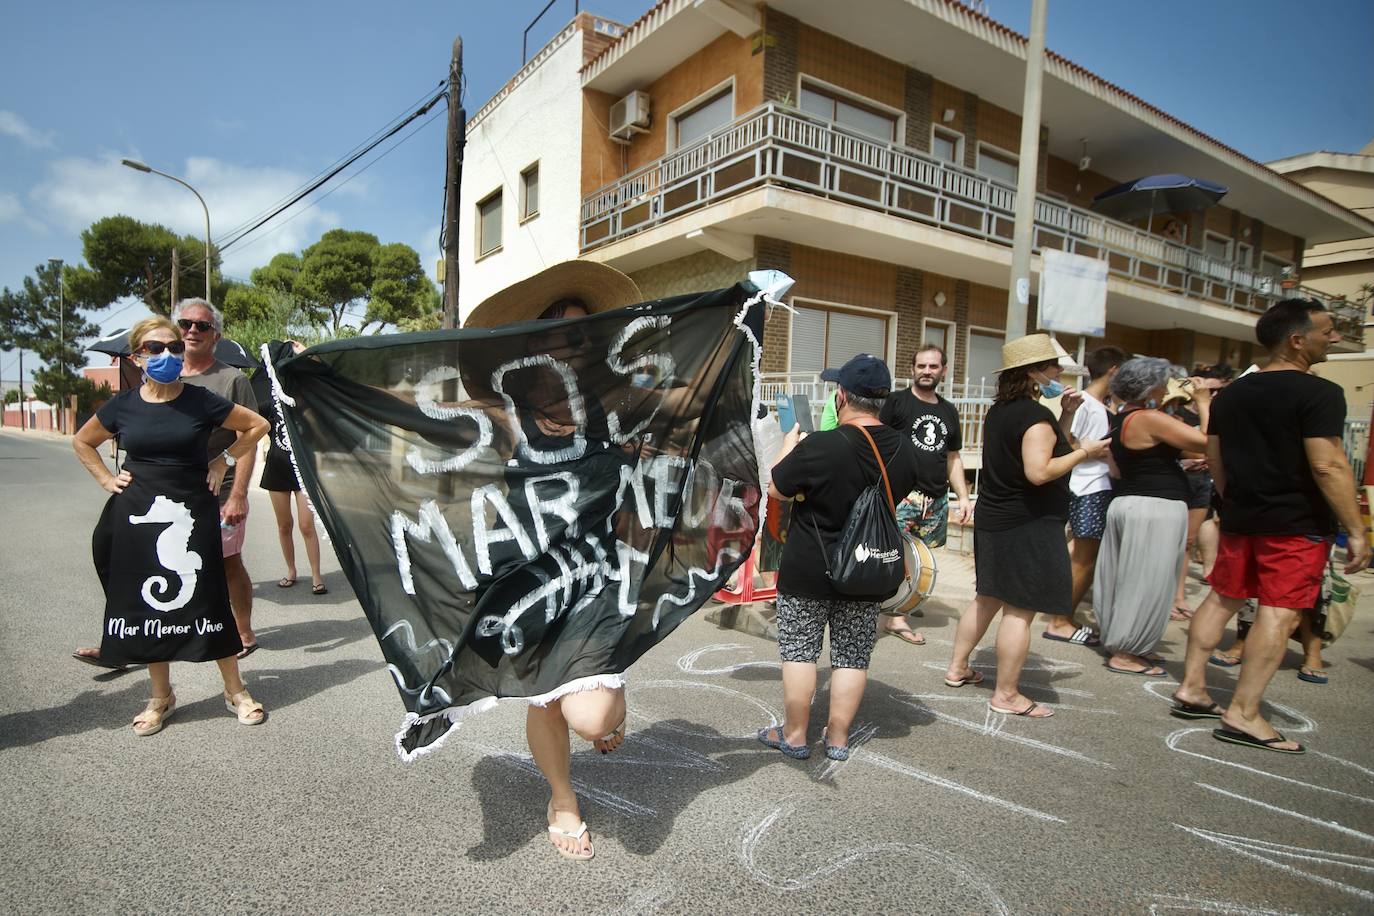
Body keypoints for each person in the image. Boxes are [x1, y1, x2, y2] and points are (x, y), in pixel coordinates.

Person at [462, 260, 644, 861]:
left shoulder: (621, 407)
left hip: (597, 572)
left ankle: (609, 704)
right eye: (562, 331)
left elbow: (686, 420)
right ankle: (562, 798)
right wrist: (314, 375)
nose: (575, 342)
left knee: (592, 717)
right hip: (531, 572)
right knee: (544, 693)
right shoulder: (504, 411)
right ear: (535, 341)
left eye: (585, 332)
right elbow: (410, 412)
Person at [1172, 299, 1370, 751]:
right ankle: (1243, 713)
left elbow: (1217, 458)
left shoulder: (1233, 394)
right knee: (1278, 613)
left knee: (1223, 597)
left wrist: (1234, 499)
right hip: (1294, 524)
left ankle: (1192, 687)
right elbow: (1329, 466)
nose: (1334, 338)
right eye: (1327, 331)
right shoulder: (1319, 393)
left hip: (1242, 516)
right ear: (1297, 340)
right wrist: (1355, 529)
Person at [72, 315, 270, 734]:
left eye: (175, 348)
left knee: (208, 597)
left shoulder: (201, 400)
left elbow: (257, 425)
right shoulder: (123, 405)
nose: (168, 355)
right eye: (156, 349)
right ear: (137, 356)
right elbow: (82, 441)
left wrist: (223, 460)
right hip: (138, 512)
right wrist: (107, 479)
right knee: (146, 606)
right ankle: (161, 696)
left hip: (192, 509)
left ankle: (235, 690)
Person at [943, 334, 1111, 717]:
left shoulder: (1003, 410)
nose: (1059, 372)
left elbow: (1047, 449)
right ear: (1034, 372)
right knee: (1019, 610)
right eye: (1053, 366)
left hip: (997, 516)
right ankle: (1006, 694)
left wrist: (1064, 415)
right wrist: (1088, 450)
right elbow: (1039, 471)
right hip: (1027, 522)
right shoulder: (1033, 416)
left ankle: (957, 667)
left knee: (987, 597)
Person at [761, 354, 919, 759]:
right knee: (852, 654)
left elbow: (777, 488)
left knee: (799, 650)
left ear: (842, 396)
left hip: (810, 567)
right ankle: (838, 738)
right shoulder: (903, 448)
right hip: (869, 565)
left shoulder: (822, 444)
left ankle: (795, 735)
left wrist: (787, 445)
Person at [1093, 358, 1209, 675]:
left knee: (1126, 578)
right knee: (1147, 580)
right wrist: (1203, 403)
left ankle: (1125, 643)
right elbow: (1209, 443)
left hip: (1128, 502)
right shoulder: (1149, 418)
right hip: (1154, 506)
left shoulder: (1121, 418)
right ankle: (1127, 652)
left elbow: (1118, 466)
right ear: (1150, 386)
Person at [175, 299, 262, 656]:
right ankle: (179, 627)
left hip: (221, 490)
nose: (192, 330)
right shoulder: (165, 376)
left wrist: (238, 493)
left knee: (227, 561)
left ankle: (243, 633)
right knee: (174, 560)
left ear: (216, 336)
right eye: (186, 324)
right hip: (174, 491)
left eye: (202, 326)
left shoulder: (232, 380)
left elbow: (251, 437)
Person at [877, 343, 973, 646]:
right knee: (896, 552)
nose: (927, 371)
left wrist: (964, 498)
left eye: (933, 366)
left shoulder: (948, 411)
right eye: (921, 366)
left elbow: (953, 457)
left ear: (943, 370)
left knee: (922, 555)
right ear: (912, 369)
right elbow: (876, 442)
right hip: (904, 494)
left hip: (936, 499)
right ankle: (896, 617)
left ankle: (902, 603)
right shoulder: (896, 403)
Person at [1050, 344, 1126, 647]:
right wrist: (1093, 449)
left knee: (1080, 556)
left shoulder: (1101, 405)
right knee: (1083, 559)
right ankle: (1060, 620)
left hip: (1093, 487)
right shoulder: (1086, 404)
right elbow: (1064, 440)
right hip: (1088, 487)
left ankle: (1062, 616)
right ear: (1114, 370)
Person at [258, 344, 327, 595]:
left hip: (303, 471)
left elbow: (326, 375)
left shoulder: (309, 402)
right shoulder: (270, 404)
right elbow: (247, 419)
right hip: (276, 470)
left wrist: (307, 352)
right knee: (284, 525)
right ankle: (291, 570)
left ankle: (317, 576)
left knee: (307, 525)